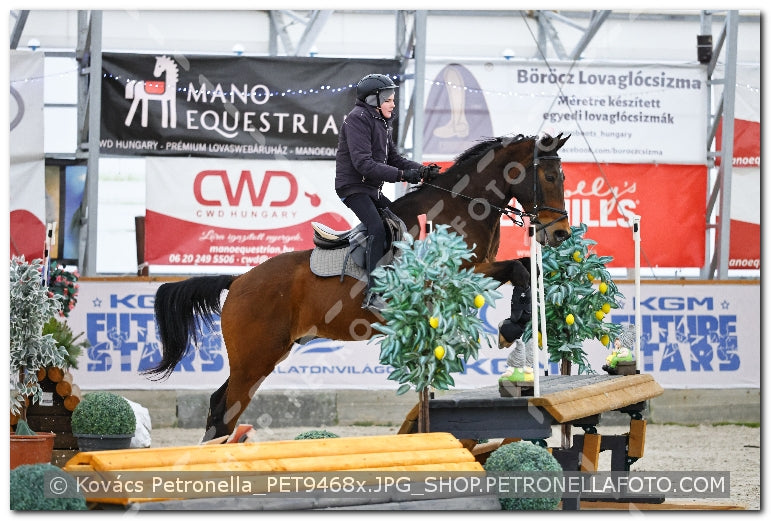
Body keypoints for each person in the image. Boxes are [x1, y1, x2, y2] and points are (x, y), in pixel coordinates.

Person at [335, 73, 434, 311]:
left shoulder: (381, 121)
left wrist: (422, 170)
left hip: (370, 189)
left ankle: (394, 276)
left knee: (399, 221)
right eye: (388, 99)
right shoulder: (357, 119)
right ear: (372, 100)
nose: (392, 104)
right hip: (353, 187)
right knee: (377, 228)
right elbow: (364, 165)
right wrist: (402, 176)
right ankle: (373, 292)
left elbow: (394, 158)